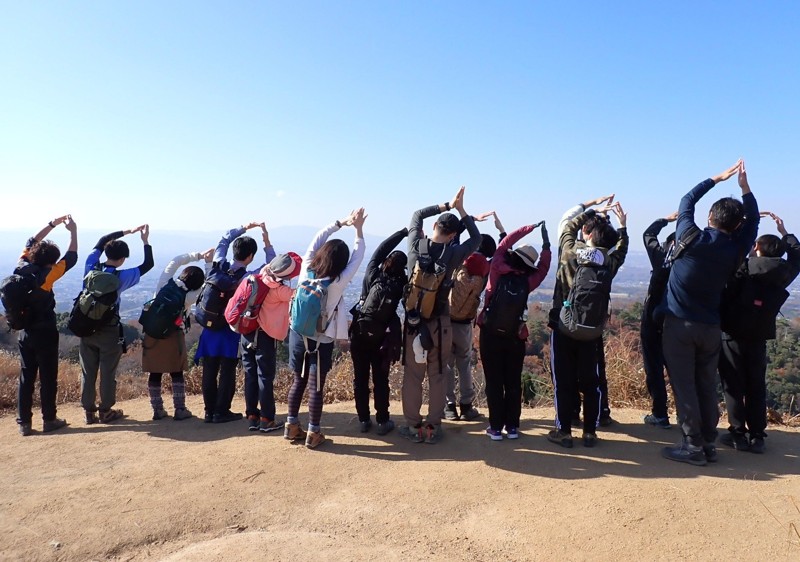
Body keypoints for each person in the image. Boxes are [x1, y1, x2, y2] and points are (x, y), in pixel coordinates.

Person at [661, 160, 759, 466]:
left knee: (684, 385)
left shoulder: (691, 236)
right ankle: (707, 443)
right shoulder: (736, 248)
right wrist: (745, 188)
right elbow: (754, 219)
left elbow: (686, 200)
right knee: (705, 383)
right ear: (737, 226)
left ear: (709, 217)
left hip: (679, 325)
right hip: (711, 328)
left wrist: (717, 178)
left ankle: (691, 446)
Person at [399, 186, 482, 444]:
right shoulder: (454, 254)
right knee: (438, 374)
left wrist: (447, 205)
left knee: (413, 376)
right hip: (441, 324)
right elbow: (477, 239)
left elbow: (416, 214)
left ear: (434, 225)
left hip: (413, 323)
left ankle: (413, 425)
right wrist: (461, 209)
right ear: (454, 234)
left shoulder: (415, 245)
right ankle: (433, 426)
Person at [547, 200, 628, 448]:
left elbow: (568, 227)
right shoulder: (609, 261)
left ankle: (564, 431)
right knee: (590, 382)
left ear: (587, 233)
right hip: (592, 331)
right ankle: (590, 432)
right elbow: (622, 249)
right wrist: (623, 227)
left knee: (564, 380)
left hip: (563, 325)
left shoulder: (570, 251)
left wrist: (591, 211)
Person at [717, 212, 799, 454]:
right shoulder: (783, 273)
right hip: (760, 335)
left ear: (757, 248)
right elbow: (798, 254)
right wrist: (785, 234)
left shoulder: (742, 267)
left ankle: (737, 433)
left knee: (733, 384)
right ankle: (757, 436)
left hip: (732, 333)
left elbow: (730, 251)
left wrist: (740, 226)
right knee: (755, 385)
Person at [285, 208, 367, 449]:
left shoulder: (305, 270)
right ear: (340, 263)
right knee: (316, 386)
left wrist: (341, 222)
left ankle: (291, 426)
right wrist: (359, 229)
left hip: (298, 333)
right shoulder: (337, 282)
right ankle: (313, 432)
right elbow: (359, 255)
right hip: (321, 340)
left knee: (297, 381)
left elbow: (316, 238)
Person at [195, 223, 275, 424]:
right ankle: (221, 412)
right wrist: (266, 241)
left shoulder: (218, 264)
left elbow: (223, 239)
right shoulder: (247, 277)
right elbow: (272, 264)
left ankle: (209, 411)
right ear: (250, 257)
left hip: (209, 329)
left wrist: (243, 228)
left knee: (210, 370)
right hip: (230, 330)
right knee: (227, 371)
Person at [478, 221, 551, 440]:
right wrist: (547, 244)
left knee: (493, 382)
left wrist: (529, 228)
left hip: (490, 333)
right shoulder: (529, 280)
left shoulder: (497, 267)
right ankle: (511, 427)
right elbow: (545, 267)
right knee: (512, 382)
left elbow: (505, 242)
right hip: (515, 336)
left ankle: (495, 428)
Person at [81, 225, 154, 424]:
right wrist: (145, 240)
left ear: (106, 251)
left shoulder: (91, 266)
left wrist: (126, 232)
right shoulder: (121, 277)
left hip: (85, 327)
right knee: (107, 371)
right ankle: (105, 410)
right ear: (122, 259)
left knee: (88, 371)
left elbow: (102, 238)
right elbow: (148, 264)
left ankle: (88, 412)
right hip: (108, 328)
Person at [13, 215, 77, 436]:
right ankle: (49, 419)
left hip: (25, 330)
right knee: (48, 376)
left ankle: (24, 423)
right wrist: (73, 231)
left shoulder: (21, 267)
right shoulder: (49, 274)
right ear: (51, 261)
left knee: (26, 375)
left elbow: (32, 240)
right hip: (45, 331)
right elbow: (72, 256)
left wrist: (52, 224)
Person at [444, 211, 506, 422]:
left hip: (445, 320)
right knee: (464, 364)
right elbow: (502, 253)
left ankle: (449, 406)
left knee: (446, 365)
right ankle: (467, 406)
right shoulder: (487, 270)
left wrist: (468, 220)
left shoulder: (459, 259)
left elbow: (455, 239)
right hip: (464, 324)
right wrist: (501, 231)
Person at [349, 227, 408, 435]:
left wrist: (402, 233)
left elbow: (381, 249)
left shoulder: (373, 272)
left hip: (359, 333)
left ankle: (364, 420)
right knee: (380, 380)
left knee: (360, 378)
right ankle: (383, 421)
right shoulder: (401, 283)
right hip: (381, 339)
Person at [143, 250, 212, 421]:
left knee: (155, 372)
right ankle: (180, 409)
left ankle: (157, 410)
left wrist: (198, 255)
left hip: (152, 333)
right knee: (177, 371)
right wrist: (209, 263)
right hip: (173, 335)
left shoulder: (165, 283)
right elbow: (209, 284)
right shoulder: (189, 296)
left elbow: (173, 262)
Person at [242, 252, 302, 433]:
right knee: (265, 377)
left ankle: (252, 415)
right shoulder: (278, 289)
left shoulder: (257, 277)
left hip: (246, 332)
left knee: (250, 374)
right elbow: (299, 295)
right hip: (264, 336)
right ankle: (267, 419)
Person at [640, 212, 678, 429]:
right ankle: (686, 415)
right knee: (680, 370)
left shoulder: (662, 256)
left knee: (654, 369)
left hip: (653, 320)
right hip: (680, 322)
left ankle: (660, 414)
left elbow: (648, 234)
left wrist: (666, 219)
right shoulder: (692, 263)